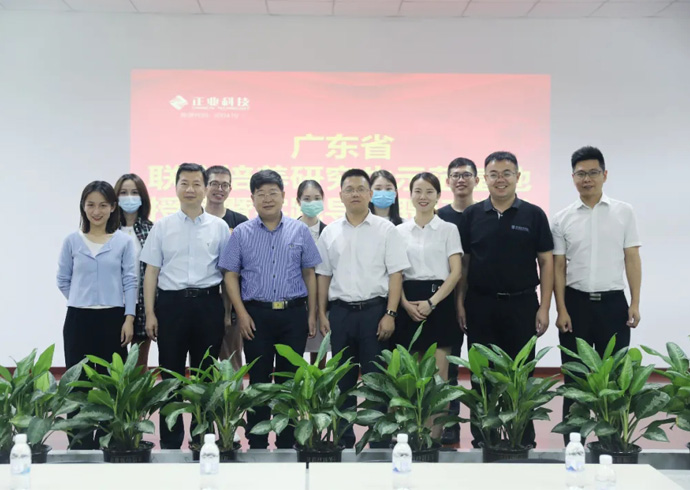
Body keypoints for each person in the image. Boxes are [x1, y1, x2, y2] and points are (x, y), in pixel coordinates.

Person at [219, 169, 321, 449]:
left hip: (293, 314)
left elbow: (309, 273)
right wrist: (241, 313)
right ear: (252, 198)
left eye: (272, 193)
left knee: (290, 380)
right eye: (261, 194)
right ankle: (258, 439)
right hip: (256, 316)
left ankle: (288, 439)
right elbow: (230, 275)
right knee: (259, 379)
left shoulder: (299, 230)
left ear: (283, 196)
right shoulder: (242, 233)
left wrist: (311, 314)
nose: (267, 199)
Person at [459, 151, 554, 449]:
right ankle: (484, 438)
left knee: (521, 376)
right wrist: (460, 303)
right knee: (481, 377)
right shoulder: (472, 215)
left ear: (518, 177)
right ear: (484, 179)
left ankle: (521, 438)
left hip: (522, 305)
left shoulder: (534, 215)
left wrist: (545, 307)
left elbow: (546, 262)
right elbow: (464, 264)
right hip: (480, 305)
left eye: (506, 173)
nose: (500, 179)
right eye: (494, 174)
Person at [551, 146, 642, 442]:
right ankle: (572, 444)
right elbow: (559, 267)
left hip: (613, 304)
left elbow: (632, 259)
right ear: (573, 177)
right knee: (574, 377)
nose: (586, 179)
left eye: (592, 173)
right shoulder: (561, 218)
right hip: (575, 304)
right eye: (581, 174)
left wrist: (635, 303)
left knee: (614, 377)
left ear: (604, 175)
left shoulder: (624, 212)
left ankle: (612, 442)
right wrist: (561, 309)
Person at [316, 168, 410, 448]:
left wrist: (390, 314)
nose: (355, 194)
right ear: (341, 195)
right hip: (340, 313)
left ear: (370, 194)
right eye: (349, 189)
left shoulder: (386, 230)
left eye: (360, 189)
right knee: (342, 380)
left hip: (375, 313)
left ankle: (378, 440)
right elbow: (324, 275)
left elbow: (396, 274)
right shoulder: (330, 232)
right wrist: (321, 313)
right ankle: (343, 439)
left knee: (376, 381)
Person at [140, 163, 230, 449]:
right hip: (171, 306)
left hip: (208, 304)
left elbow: (228, 273)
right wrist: (150, 313)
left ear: (205, 189)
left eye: (196, 184)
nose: (190, 189)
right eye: (184, 183)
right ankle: (170, 440)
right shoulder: (162, 226)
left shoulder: (219, 228)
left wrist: (227, 312)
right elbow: (151, 272)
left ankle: (203, 438)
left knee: (206, 374)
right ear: (176, 187)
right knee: (171, 373)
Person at [57, 181, 137, 448]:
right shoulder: (72, 241)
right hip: (78, 320)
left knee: (112, 385)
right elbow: (63, 279)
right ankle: (79, 444)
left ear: (113, 207)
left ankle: (111, 443)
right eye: (90, 205)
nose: (96, 211)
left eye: (103, 205)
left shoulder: (123, 242)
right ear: (83, 207)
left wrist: (129, 317)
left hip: (113, 320)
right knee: (78, 385)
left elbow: (130, 281)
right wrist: (82, 299)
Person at [395, 172, 463, 441]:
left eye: (429, 192)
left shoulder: (448, 229)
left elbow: (455, 272)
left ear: (438, 196)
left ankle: (433, 438)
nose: (423, 197)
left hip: (440, 303)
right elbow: (395, 273)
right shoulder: (399, 231)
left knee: (439, 377)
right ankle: (413, 435)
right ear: (410, 195)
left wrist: (432, 303)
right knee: (411, 376)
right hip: (408, 305)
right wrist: (403, 303)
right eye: (418, 191)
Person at [437, 157, 479, 445]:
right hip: (443, 301)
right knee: (447, 366)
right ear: (448, 181)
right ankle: (449, 422)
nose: (461, 179)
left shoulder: (485, 212)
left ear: (476, 180)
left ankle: (482, 426)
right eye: (455, 175)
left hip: (480, 299)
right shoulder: (439, 216)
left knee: (479, 366)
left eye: (466, 175)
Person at [204, 165, 249, 371]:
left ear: (230, 189)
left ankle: (234, 394)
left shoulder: (241, 222)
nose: (219, 189)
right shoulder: (196, 220)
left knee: (232, 360)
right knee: (204, 360)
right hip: (204, 300)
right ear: (205, 186)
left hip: (233, 301)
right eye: (214, 184)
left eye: (225, 185)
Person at [114, 173, 154, 370]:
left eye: (134, 192)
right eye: (123, 193)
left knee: (139, 364)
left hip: (143, 303)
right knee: (114, 362)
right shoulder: (108, 230)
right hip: (113, 303)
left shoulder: (151, 230)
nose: (129, 197)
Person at [295, 179, 329, 367]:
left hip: (322, 302)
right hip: (296, 301)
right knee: (294, 356)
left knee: (319, 355)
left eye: (316, 198)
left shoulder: (329, 232)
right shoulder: (289, 229)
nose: (312, 202)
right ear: (298, 201)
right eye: (307, 199)